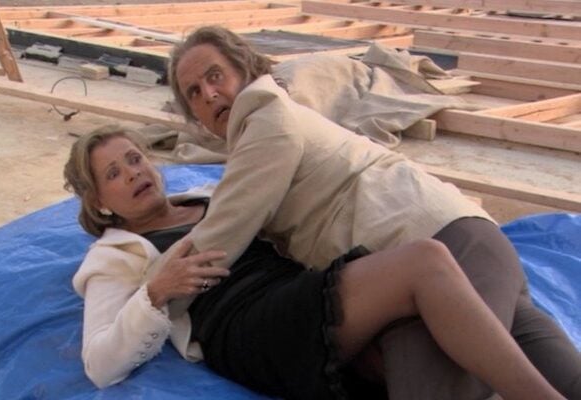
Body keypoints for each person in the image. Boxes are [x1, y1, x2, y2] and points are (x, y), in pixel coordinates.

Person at [168, 26, 581, 400]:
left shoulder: (266, 120)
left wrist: (150, 296)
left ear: (244, 69)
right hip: (471, 250)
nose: (209, 93)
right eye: (194, 93)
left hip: (445, 255)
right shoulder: (269, 126)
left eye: (215, 75)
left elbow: (219, 239)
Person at [65, 126, 566, 400]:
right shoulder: (115, 255)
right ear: (100, 202)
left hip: (301, 296)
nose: (133, 173)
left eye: (134, 158)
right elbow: (100, 365)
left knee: (435, 338)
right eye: (113, 173)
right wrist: (157, 292)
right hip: (245, 326)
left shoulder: (206, 195)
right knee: (426, 262)